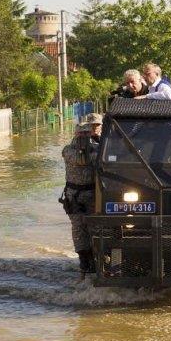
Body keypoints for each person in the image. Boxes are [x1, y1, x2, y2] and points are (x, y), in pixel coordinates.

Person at [60, 113, 102, 277]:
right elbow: (82, 160)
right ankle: (84, 262)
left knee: (95, 228)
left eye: (86, 133)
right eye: (81, 133)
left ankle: (96, 259)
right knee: (78, 229)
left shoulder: (97, 148)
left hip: (92, 194)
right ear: (75, 134)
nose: (83, 136)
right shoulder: (68, 150)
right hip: (74, 196)